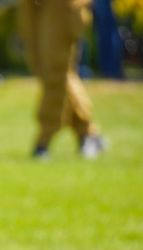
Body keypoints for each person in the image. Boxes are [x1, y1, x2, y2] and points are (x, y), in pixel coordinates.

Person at [17, 0, 108, 159]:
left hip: (61, 6)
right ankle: (88, 133)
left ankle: (44, 141)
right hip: (36, 6)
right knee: (44, 69)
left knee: (56, 71)